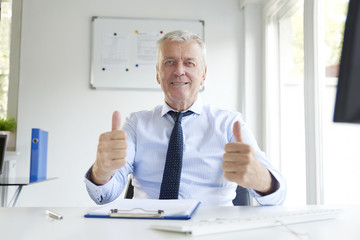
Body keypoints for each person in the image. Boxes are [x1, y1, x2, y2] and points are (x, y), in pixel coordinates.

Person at [85, 30, 286, 206]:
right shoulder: (137, 124)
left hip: (210, 230)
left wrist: (260, 179)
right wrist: (101, 171)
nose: (179, 71)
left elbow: (278, 196)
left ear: (203, 74)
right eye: (169, 62)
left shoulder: (229, 124)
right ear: (158, 73)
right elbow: (104, 196)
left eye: (189, 63)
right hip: (147, 228)